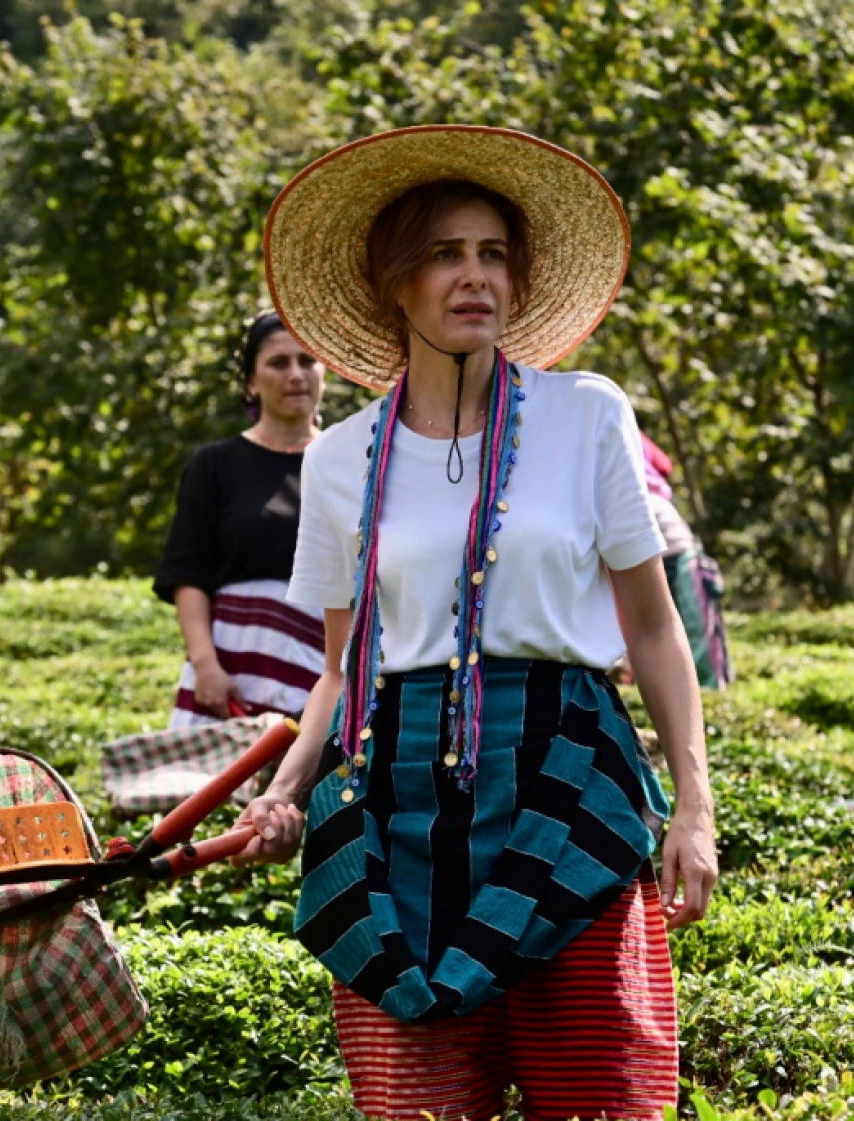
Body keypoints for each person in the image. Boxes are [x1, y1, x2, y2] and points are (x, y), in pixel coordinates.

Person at [231, 125, 718, 1121]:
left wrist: (694, 805)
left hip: (565, 774)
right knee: (418, 1098)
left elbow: (654, 626)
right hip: (396, 798)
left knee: (594, 1089)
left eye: (492, 253)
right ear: (392, 282)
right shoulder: (340, 459)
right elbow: (338, 667)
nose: (473, 277)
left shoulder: (586, 415)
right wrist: (284, 792)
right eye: (444, 254)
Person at [151, 311, 327, 727]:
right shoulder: (214, 465)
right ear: (251, 382)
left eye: (307, 361)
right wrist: (205, 666)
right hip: (230, 673)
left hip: (323, 673)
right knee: (221, 792)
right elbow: (188, 575)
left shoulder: (352, 463)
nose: (296, 375)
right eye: (278, 363)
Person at [639, 432, 733, 691]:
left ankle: (708, 700)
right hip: (658, 557)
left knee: (696, 641)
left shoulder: (642, 496)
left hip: (677, 559)